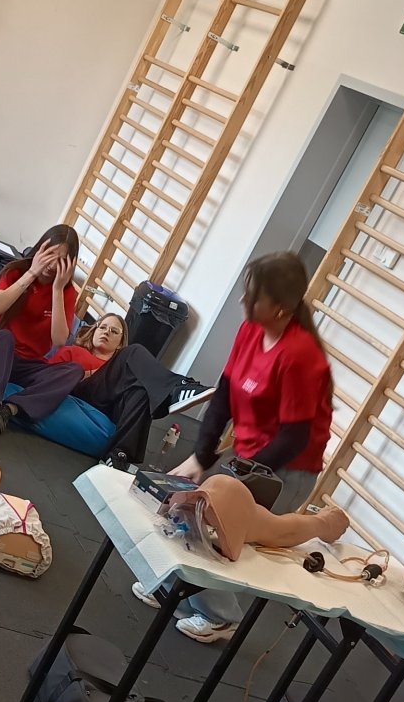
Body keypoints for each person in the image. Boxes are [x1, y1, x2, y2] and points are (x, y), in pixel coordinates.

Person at [134, 253, 333, 645]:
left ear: (280, 308)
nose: (243, 301)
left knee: (218, 523)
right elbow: (223, 395)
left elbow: (293, 437)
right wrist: (201, 456)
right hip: (249, 453)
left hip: (287, 467)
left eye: (253, 296)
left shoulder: (302, 357)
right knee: (187, 503)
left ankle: (221, 616)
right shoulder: (250, 331)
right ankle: (175, 589)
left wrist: (234, 482)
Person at [0, 225, 78, 442]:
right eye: (50, 254)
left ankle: (9, 410)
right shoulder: (15, 271)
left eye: (61, 260)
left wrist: (57, 290)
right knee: (6, 337)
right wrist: (31, 274)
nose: (53, 264)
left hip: (26, 364)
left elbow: (60, 340)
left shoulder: (67, 292)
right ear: (40, 249)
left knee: (73, 371)